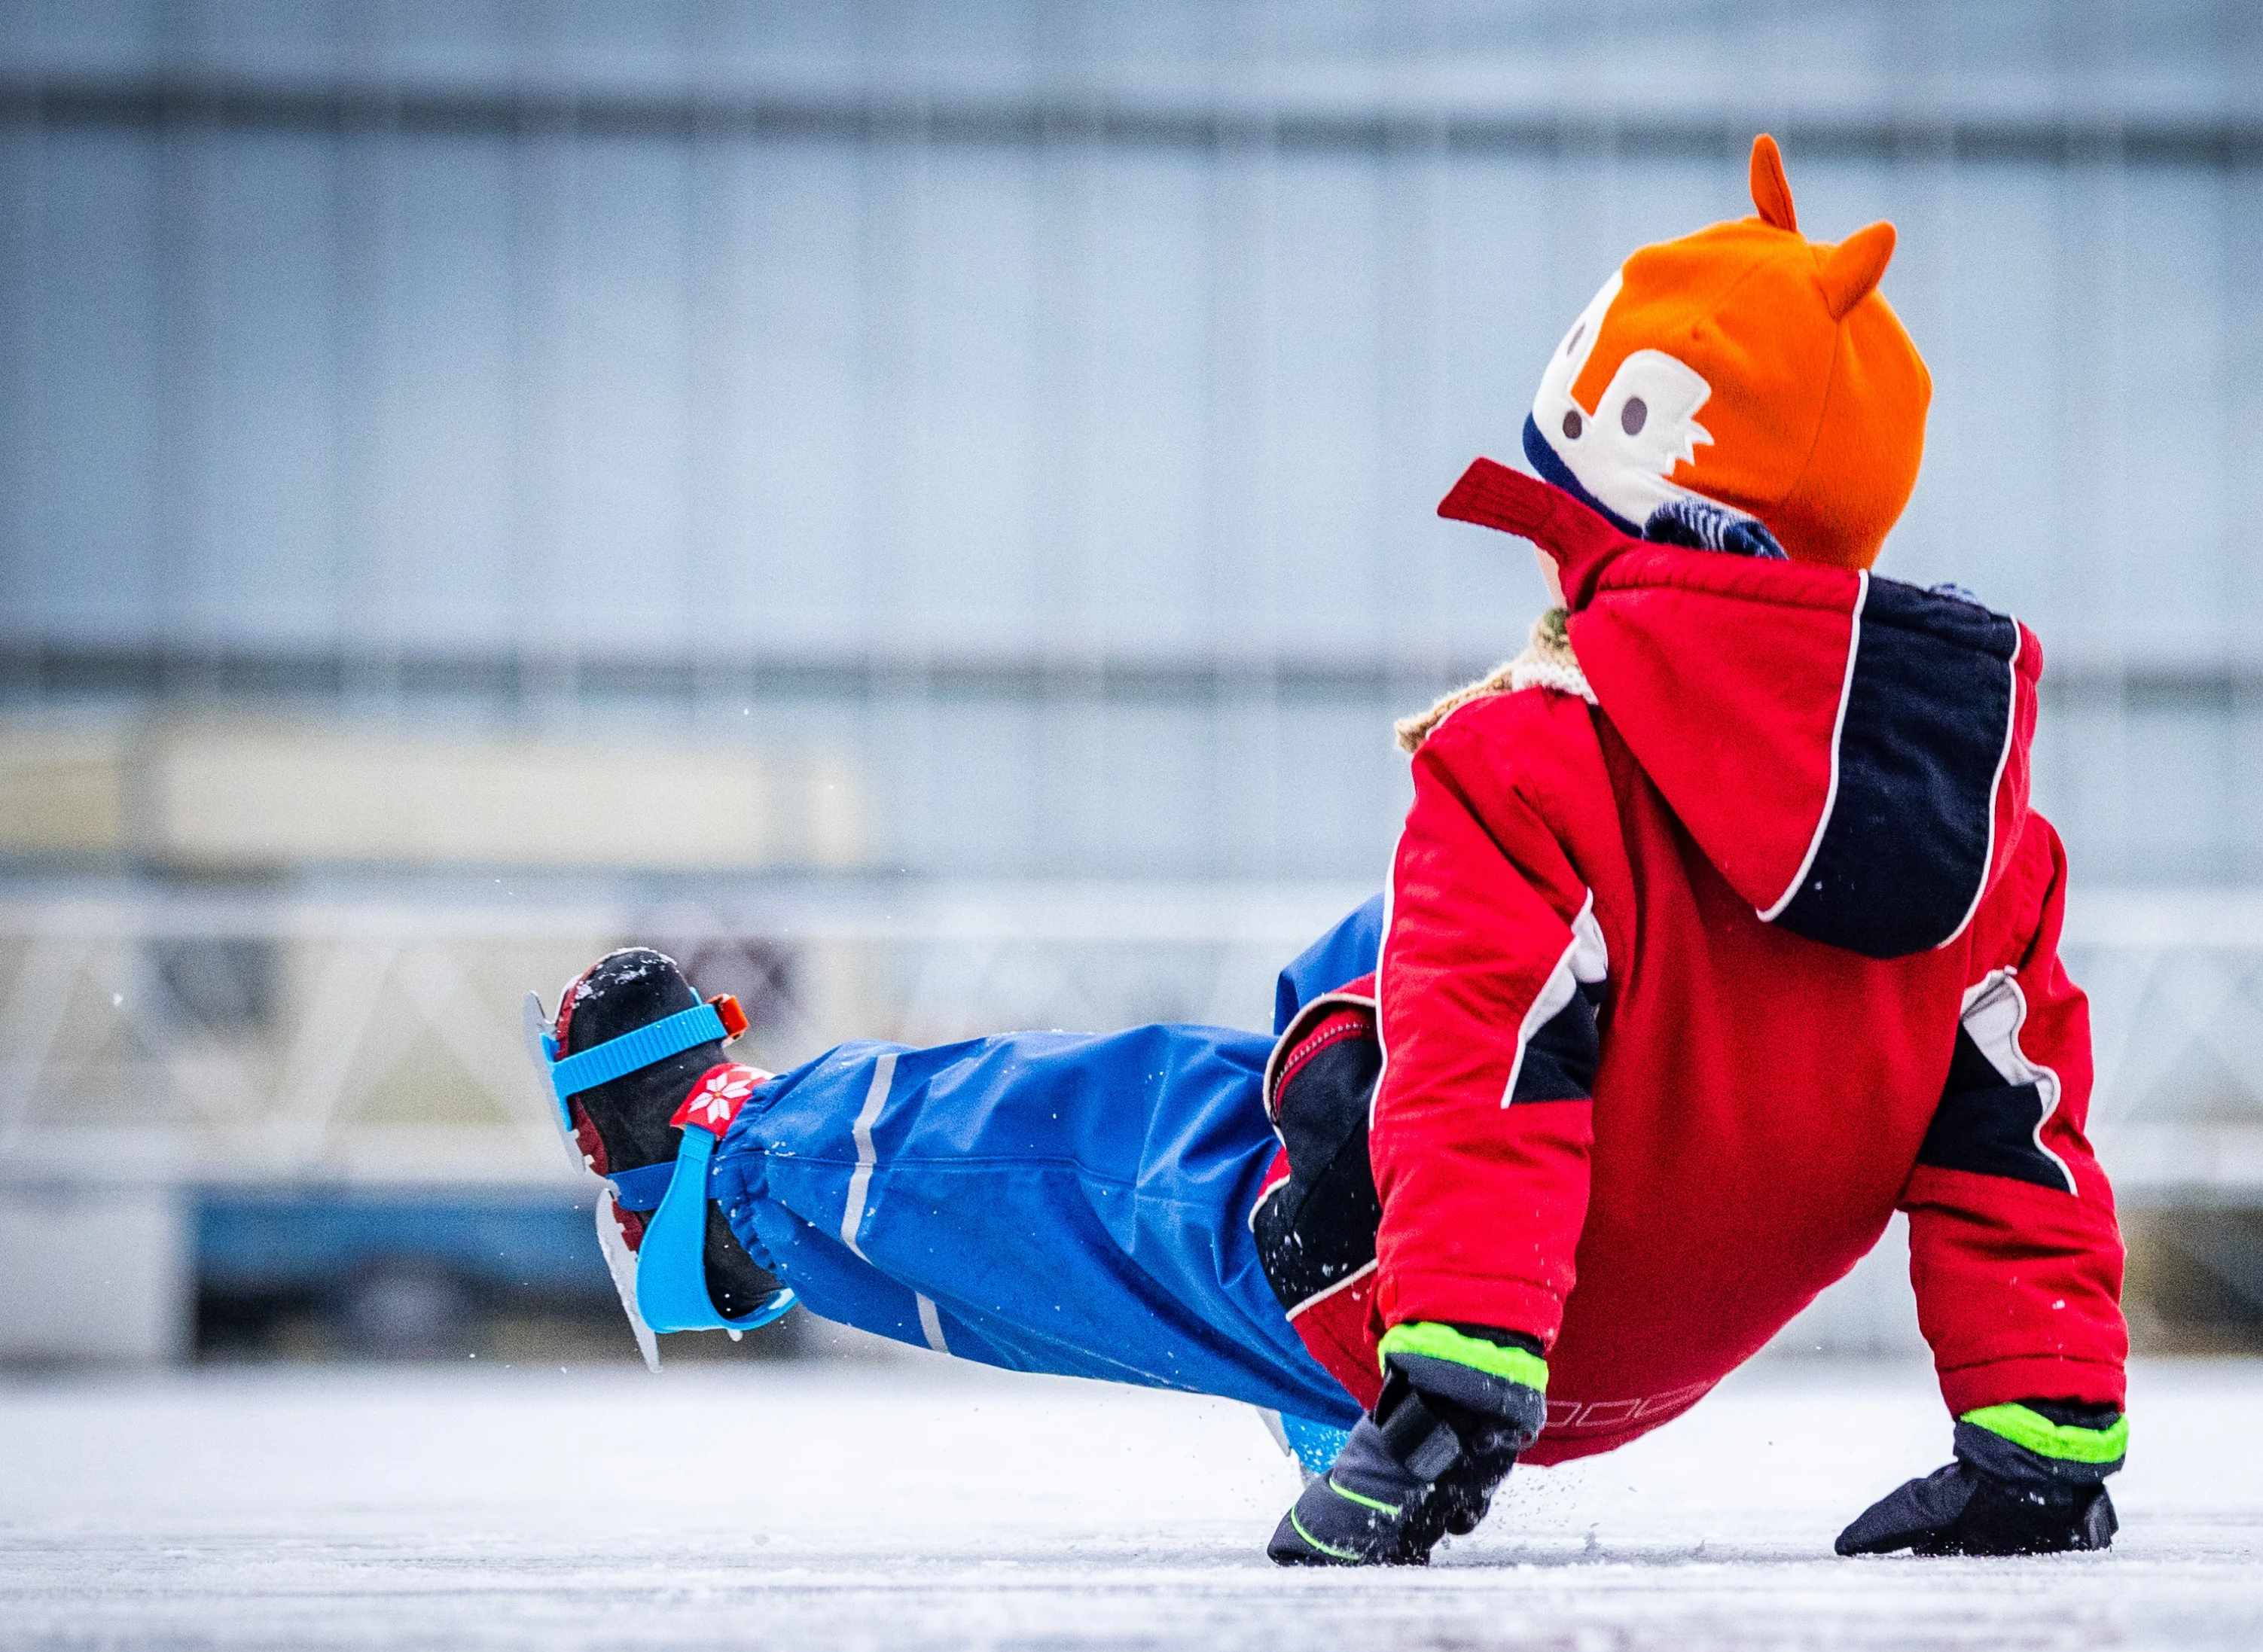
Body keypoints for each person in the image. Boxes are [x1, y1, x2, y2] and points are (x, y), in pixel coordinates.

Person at [536, 136, 2128, 1568]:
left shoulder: (1523, 763)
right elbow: (2018, 1146)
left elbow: (1494, 1088)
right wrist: (2040, 1450)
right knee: (1409, 959)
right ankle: (1332, 1122)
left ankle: (719, 1173)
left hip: (1445, 1314)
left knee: (1097, 1144)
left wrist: (1441, 1405)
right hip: (1658, 1342)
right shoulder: (1983, 838)